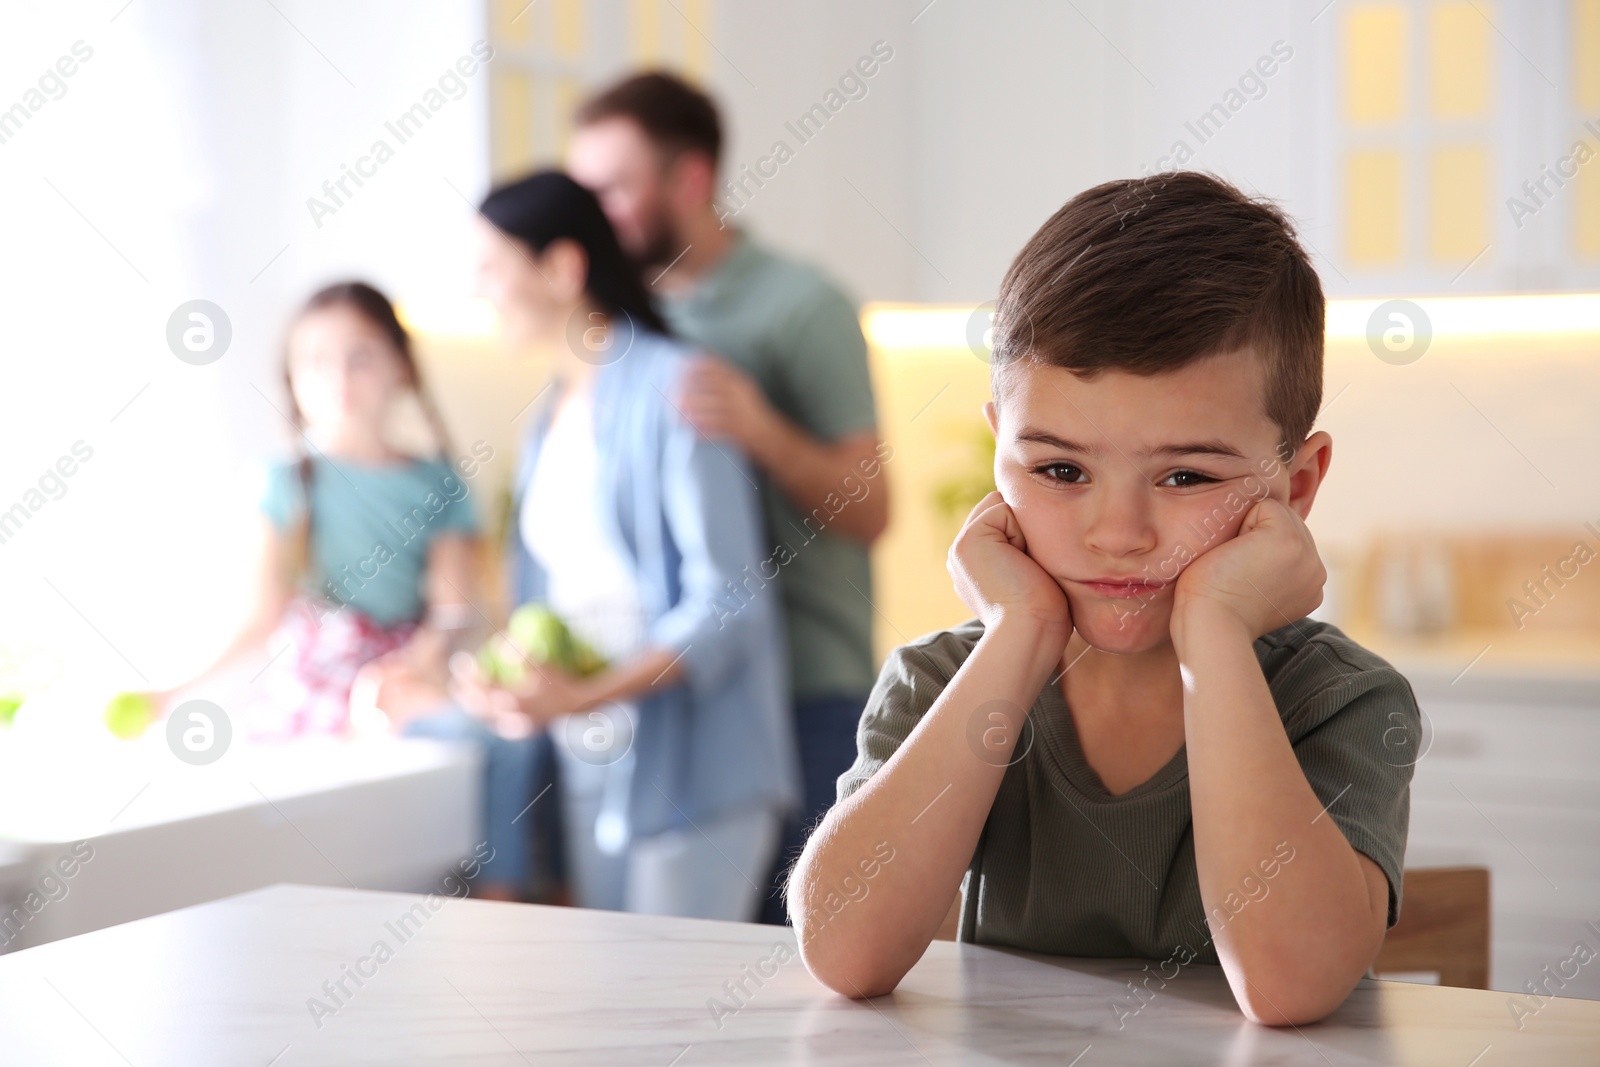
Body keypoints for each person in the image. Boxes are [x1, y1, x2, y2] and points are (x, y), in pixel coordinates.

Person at [787, 173, 1422, 1026]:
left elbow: (1289, 986)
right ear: (999, 458)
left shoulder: (1338, 700)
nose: (1117, 533)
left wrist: (1216, 635)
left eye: (1187, 475)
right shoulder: (946, 681)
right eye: (1059, 470)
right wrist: (1019, 631)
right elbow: (843, 949)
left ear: (1297, 484)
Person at [568, 72, 890, 924]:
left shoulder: (802, 306)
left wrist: (761, 430)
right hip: (690, 696)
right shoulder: (624, 336)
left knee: (806, 964)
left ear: (692, 180)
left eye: (614, 188)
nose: (594, 214)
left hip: (811, 691)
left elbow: (872, 507)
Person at [452, 169, 800, 921]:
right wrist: (508, 678)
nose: (479, 292)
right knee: (613, 1014)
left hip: (701, 768)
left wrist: (583, 694)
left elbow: (729, 602)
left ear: (561, 268)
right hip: (593, 752)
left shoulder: (677, 387)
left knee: (670, 1027)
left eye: (491, 268)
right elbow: (555, 596)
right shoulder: (548, 418)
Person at [151, 281, 481, 741]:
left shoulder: (440, 486)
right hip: (307, 691)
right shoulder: (281, 482)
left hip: (402, 682)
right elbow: (260, 616)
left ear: (402, 365)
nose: (339, 379)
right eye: (316, 362)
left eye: (360, 357)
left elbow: (453, 614)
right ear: (292, 378)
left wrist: (409, 670)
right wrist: (172, 692)